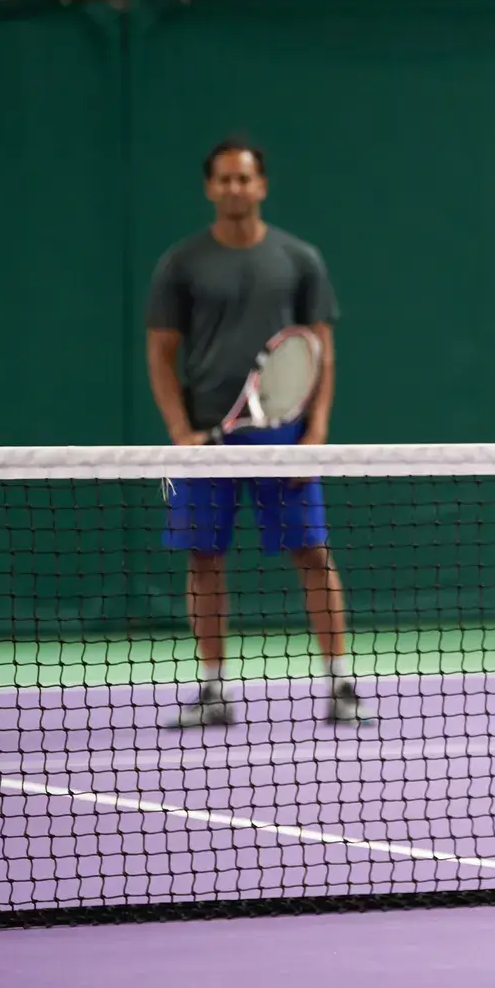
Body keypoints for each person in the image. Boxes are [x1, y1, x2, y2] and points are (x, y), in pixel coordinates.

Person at [145, 138, 364, 730]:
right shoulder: (181, 264)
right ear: (210, 187)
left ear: (261, 185)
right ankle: (213, 691)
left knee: (312, 554)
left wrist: (315, 433)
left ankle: (341, 684)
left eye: (245, 179)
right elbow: (161, 353)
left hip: (283, 436)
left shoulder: (299, 259)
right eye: (224, 179)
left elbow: (321, 351)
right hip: (205, 439)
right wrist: (180, 433)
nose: (235, 188)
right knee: (204, 558)